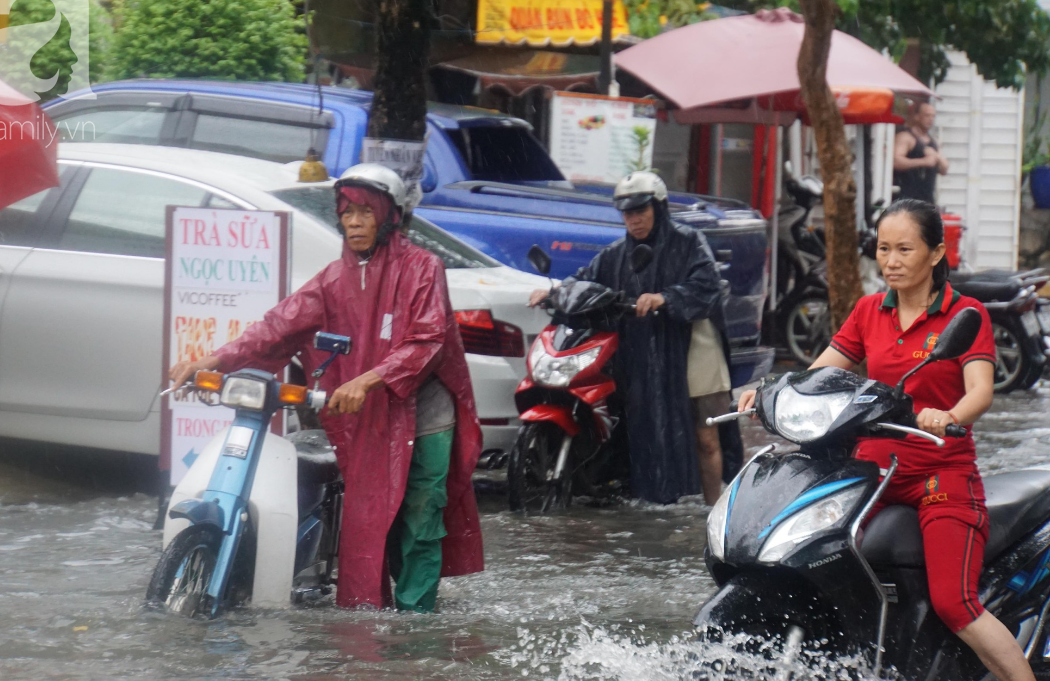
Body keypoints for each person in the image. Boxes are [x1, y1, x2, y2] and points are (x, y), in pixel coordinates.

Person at [738, 199, 1033, 681]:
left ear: (936, 254)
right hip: (871, 472)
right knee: (804, 557)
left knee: (954, 602)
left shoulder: (966, 314)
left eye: (904, 249)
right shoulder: (870, 310)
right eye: (883, 249)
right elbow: (821, 373)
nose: (891, 261)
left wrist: (948, 415)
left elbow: (980, 391)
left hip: (941, 472)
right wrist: (773, 391)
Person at [169, 163, 484, 613]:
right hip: (368, 417)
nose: (354, 222)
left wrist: (370, 378)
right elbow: (279, 325)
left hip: (425, 414)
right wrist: (214, 359)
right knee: (369, 519)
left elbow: (428, 340)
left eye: (364, 212)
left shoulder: (422, 268)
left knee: (419, 517)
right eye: (347, 213)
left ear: (389, 216)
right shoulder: (334, 278)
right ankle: (365, 615)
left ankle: (416, 625)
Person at [528, 172, 741, 505]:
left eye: (641, 211)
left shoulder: (689, 241)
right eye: (628, 213)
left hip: (693, 347)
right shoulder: (615, 254)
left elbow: (708, 286)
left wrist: (667, 298)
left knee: (706, 436)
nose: (635, 220)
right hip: (642, 352)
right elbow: (586, 280)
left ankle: (715, 508)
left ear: (659, 208)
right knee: (642, 431)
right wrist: (555, 291)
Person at [893, 100, 949, 203]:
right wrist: (923, 161)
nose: (931, 119)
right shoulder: (906, 137)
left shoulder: (934, 142)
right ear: (917, 116)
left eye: (933, 116)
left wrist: (939, 158)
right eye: (927, 116)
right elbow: (895, 161)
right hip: (906, 199)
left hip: (927, 200)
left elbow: (944, 169)